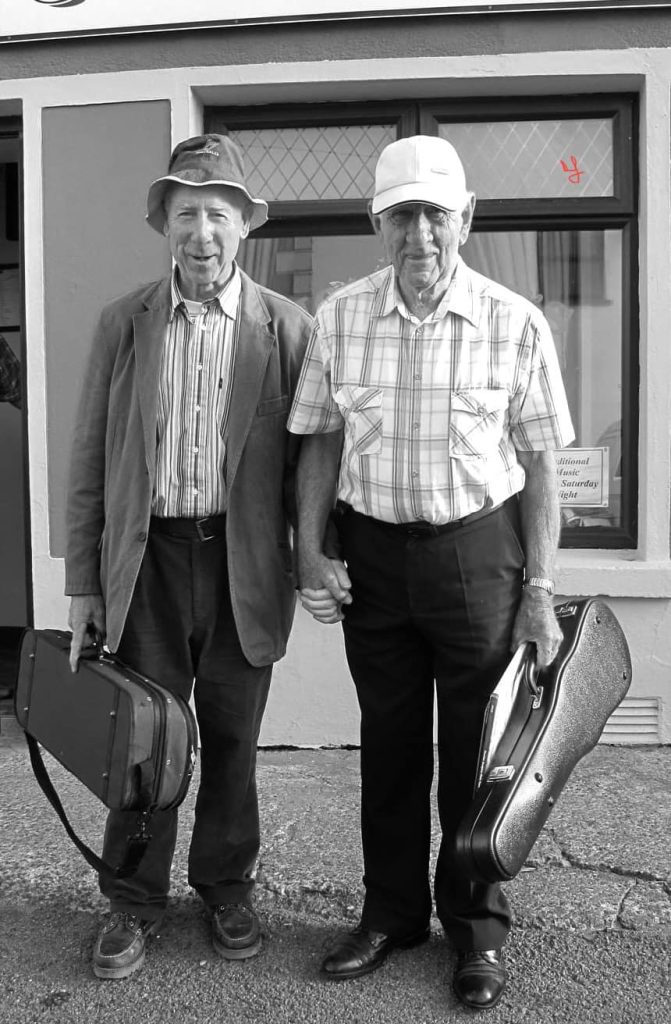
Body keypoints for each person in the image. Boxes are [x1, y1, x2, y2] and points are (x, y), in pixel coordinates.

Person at [288, 135, 574, 1011]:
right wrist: (309, 549)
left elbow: (542, 466)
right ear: (377, 223)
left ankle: (474, 929)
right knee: (389, 748)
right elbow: (319, 440)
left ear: (466, 218)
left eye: (435, 215)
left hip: (477, 559)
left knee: (477, 757)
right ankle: (391, 915)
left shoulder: (513, 321)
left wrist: (538, 591)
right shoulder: (339, 319)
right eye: (402, 215)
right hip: (372, 558)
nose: (420, 234)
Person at [65, 135, 312, 979]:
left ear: (243, 225)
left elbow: (310, 466)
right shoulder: (124, 323)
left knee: (234, 742)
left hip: (245, 567)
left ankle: (225, 888)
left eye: (216, 214)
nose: (200, 232)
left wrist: (315, 561)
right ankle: (132, 901)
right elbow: (91, 459)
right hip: (149, 566)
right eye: (184, 215)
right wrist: (83, 586)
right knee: (144, 744)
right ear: (163, 226)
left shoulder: (287, 328)